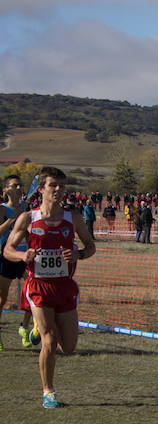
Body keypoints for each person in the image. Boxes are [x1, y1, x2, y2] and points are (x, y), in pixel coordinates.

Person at [3, 167, 96, 407]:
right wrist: (23, 257)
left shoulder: (72, 217)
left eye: (62, 186)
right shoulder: (28, 218)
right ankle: (48, 392)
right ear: (41, 188)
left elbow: (90, 246)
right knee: (49, 341)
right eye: (53, 185)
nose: (58, 190)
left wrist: (79, 254)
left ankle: (36, 329)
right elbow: (8, 250)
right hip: (39, 286)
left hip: (64, 287)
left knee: (68, 346)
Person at [1, 175, 35, 350]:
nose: (19, 188)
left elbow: (28, 231)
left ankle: (24, 326)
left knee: (33, 293)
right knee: (2, 299)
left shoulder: (24, 208)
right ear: (6, 189)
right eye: (15, 185)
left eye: (21, 185)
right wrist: (11, 219)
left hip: (23, 256)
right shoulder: (2, 209)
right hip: (5, 256)